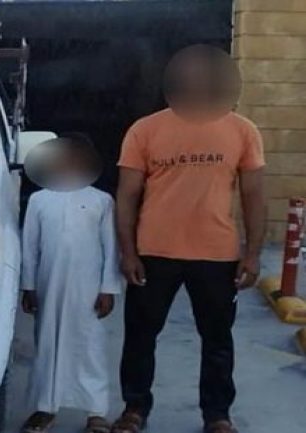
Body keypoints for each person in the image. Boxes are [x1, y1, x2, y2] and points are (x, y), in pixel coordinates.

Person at [112, 45, 266, 433]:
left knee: (217, 341)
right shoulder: (145, 130)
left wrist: (252, 254)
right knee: (140, 338)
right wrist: (128, 253)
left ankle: (217, 416)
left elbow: (253, 195)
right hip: (154, 252)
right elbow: (126, 196)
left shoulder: (242, 130)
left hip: (217, 255)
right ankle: (134, 410)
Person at [20, 137, 124, 433]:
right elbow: (30, 246)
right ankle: (45, 408)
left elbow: (111, 246)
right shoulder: (40, 200)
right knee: (47, 344)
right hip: (48, 284)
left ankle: (96, 412)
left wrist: (108, 289)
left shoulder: (101, 200)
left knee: (89, 345)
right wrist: (29, 285)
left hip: (87, 287)